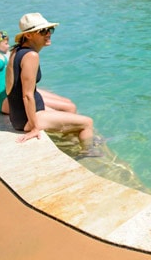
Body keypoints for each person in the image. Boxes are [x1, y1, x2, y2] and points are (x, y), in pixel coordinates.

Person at [5, 13, 97, 156]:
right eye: (43, 31)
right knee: (87, 123)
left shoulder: (16, 50)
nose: (48, 34)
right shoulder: (31, 56)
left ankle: (72, 142)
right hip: (28, 118)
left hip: (20, 115)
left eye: (50, 30)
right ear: (28, 35)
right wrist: (34, 127)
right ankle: (88, 154)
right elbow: (27, 95)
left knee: (70, 109)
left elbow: (12, 88)